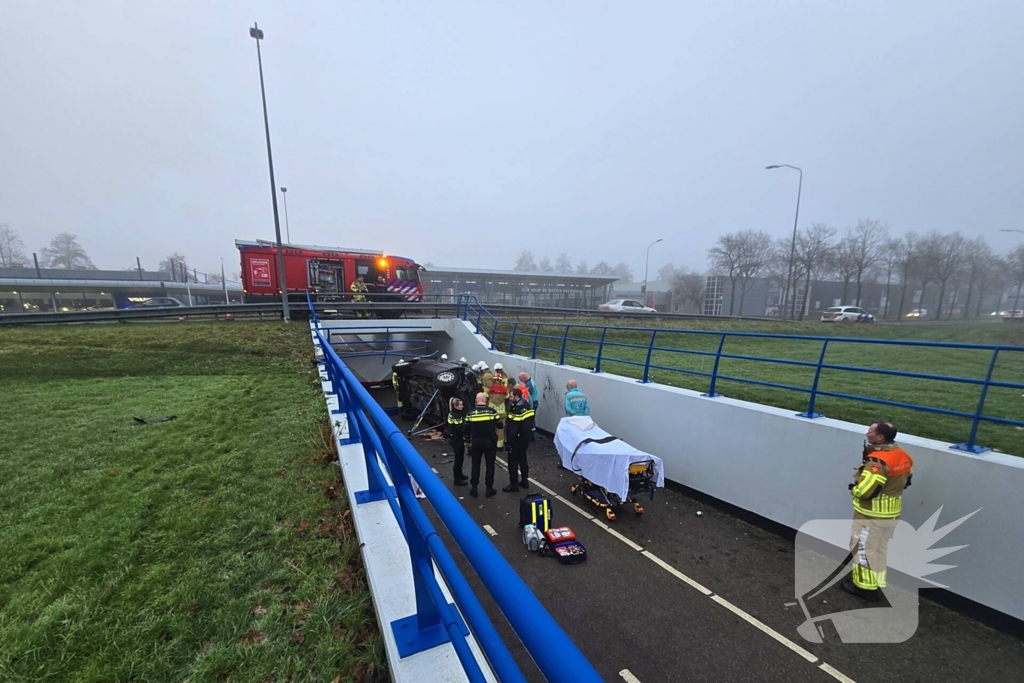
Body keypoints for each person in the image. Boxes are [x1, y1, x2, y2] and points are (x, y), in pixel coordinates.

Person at [844, 421, 914, 600]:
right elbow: (907, 481)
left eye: (871, 431)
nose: (867, 433)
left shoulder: (877, 462)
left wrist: (854, 489)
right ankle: (876, 581)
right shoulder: (904, 456)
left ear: (880, 437)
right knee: (879, 548)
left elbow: (866, 491)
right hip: (892, 513)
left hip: (871, 514)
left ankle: (864, 587)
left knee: (863, 549)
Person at [465, 392, 501, 498]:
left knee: (475, 465)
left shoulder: (470, 413)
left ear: (476, 401)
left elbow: (466, 429)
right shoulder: (492, 412)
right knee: (490, 465)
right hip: (489, 442)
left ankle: (474, 488)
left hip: (476, 442)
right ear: (486, 401)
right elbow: (500, 425)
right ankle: (489, 488)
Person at [503, 387, 535, 492]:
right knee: (523, 459)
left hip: (516, 440)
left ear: (516, 396)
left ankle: (514, 484)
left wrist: (509, 442)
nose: (510, 398)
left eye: (511, 396)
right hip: (525, 439)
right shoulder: (527, 406)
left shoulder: (517, 409)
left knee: (512, 462)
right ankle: (525, 480)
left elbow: (513, 427)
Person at [446, 397, 468, 486]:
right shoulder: (456, 416)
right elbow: (461, 429)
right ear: (456, 406)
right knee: (458, 459)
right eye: (461, 405)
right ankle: (457, 479)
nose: (462, 406)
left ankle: (459, 474)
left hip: (454, 439)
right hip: (457, 440)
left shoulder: (452, 414)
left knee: (460, 458)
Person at [489, 363, 510, 448]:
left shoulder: (491, 388)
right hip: (501, 412)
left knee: (491, 427)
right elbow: (507, 397)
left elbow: (486, 396)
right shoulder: (504, 388)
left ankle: (491, 443)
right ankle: (499, 445)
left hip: (492, 412)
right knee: (500, 428)